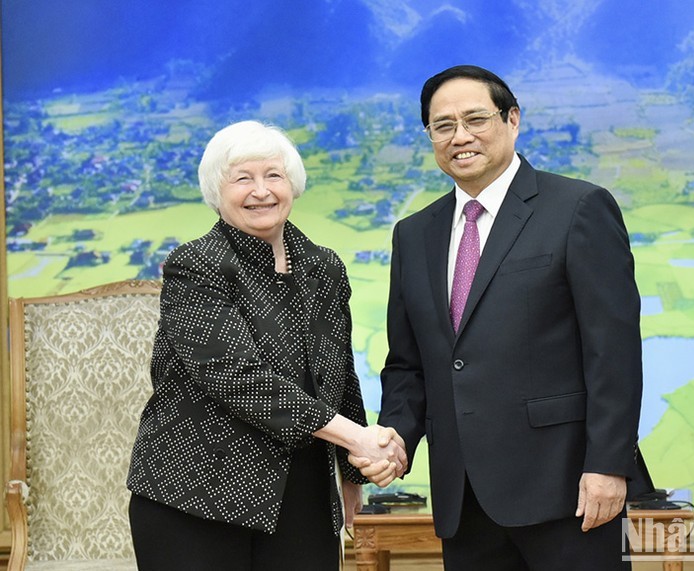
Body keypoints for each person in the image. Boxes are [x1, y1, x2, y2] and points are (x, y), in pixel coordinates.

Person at [351, 65, 651, 570]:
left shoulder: (578, 208)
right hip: (464, 500)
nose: (460, 136)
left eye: (475, 119)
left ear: (512, 120)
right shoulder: (414, 234)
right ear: (429, 136)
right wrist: (397, 437)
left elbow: (613, 352)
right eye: (442, 125)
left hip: (569, 492)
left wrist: (607, 465)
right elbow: (409, 364)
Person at [126, 120, 406, 571]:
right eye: (243, 178)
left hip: (302, 496)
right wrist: (359, 438)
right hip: (198, 493)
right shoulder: (196, 265)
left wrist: (353, 473)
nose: (261, 191)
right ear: (217, 192)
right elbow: (240, 380)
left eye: (273, 175)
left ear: (292, 184)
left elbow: (339, 373)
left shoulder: (323, 266)